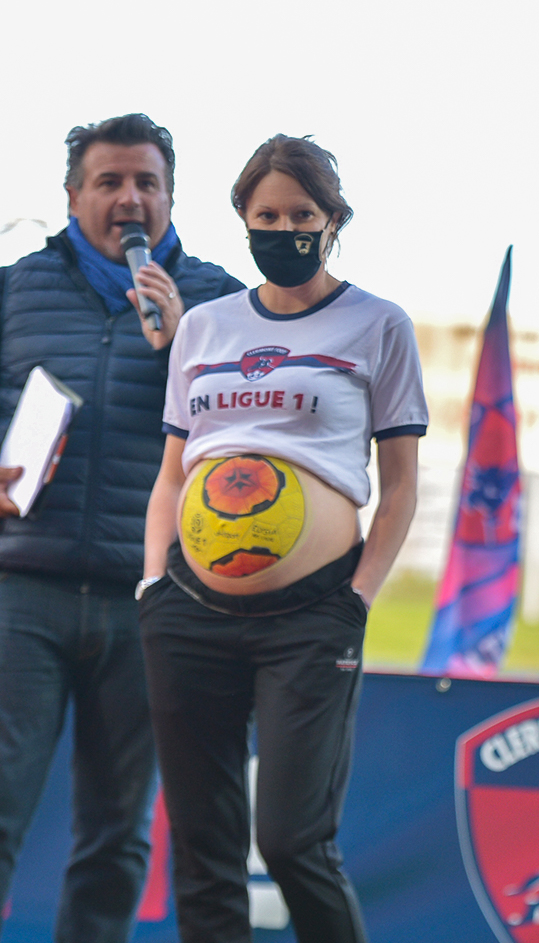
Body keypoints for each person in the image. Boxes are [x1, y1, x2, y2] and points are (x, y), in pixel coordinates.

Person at [137, 135, 425, 942]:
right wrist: (152, 584)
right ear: (245, 221)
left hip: (313, 617)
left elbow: (400, 485)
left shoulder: (378, 324)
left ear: (333, 221)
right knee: (201, 847)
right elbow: (171, 473)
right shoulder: (204, 328)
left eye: (303, 213)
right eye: (268, 214)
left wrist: (356, 600)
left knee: (294, 841)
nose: (285, 228)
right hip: (187, 614)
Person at [0, 113, 243, 941]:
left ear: (171, 197)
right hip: (20, 593)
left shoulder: (218, 303)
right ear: (74, 197)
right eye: (110, 182)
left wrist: (185, 347)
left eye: (146, 182)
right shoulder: (16, 288)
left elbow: (252, 441)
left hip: (150, 600)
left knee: (115, 835)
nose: (129, 198)